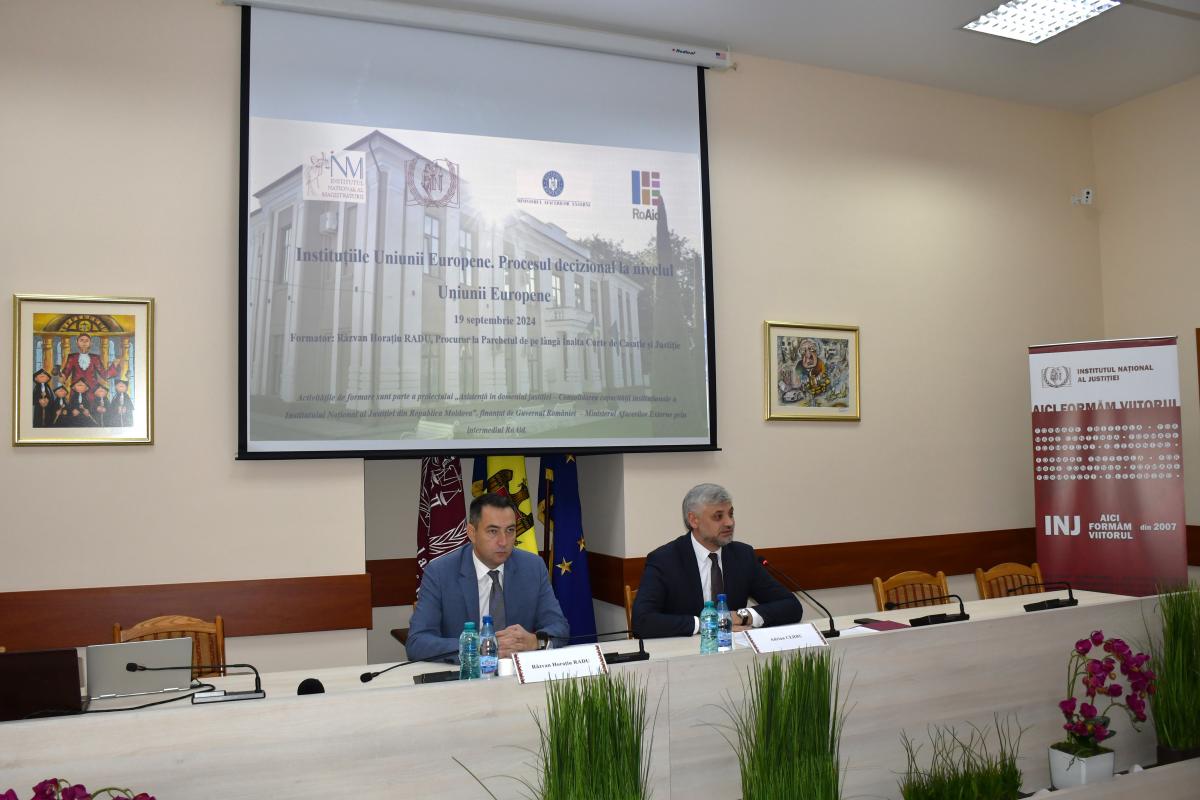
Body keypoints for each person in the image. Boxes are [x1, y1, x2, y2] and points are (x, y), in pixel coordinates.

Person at [406, 493, 569, 662]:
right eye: (493, 531)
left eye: (510, 530)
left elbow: (559, 627)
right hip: (466, 673)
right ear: (472, 533)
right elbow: (417, 643)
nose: (503, 541)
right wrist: (480, 648)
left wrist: (535, 641)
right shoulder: (440, 572)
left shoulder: (533, 567)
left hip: (516, 672)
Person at [631, 483, 802, 639]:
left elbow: (791, 606)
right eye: (718, 516)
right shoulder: (665, 560)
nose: (729, 522)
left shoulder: (742, 556)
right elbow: (642, 622)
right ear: (694, 520)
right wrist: (706, 624)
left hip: (733, 650)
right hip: (683, 653)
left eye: (730, 514)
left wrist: (742, 616)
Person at [58, 333, 120, 401]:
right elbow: (65, 373)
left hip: (92, 391)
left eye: (86, 341)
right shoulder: (72, 357)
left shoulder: (95, 358)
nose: (84, 343)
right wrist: (61, 375)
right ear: (77, 343)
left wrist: (114, 365)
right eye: (81, 340)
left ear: (90, 343)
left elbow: (104, 375)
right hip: (77, 390)